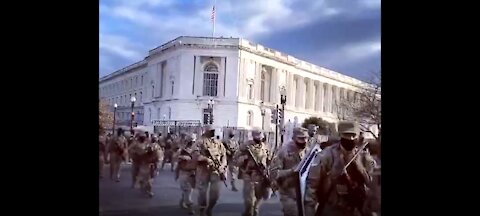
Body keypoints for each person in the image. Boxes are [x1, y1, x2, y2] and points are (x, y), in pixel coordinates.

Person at [304, 121, 376, 216]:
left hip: (357, 208)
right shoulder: (327, 156)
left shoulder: (364, 158)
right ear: (340, 135)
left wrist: (361, 169)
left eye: (353, 135)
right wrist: (309, 210)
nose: (350, 139)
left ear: (358, 136)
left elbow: (374, 186)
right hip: (332, 208)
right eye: (346, 135)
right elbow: (312, 185)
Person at [269, 127, 309, 216]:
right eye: (301, 138)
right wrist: (292, 171)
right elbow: (274, 173)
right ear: (294, 138)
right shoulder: (283, 152)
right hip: (288, 192)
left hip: (305, 191)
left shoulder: (307, 151)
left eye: (306, 138)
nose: (304, 141)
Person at [234, 128, 271, 216]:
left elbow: (270, 160)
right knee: (249, 199)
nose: (259, 139)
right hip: (249, 175)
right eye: (257, 137)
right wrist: (244, 158)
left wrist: (268, 171)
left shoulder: (265, 147)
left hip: (262, 175)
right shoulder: (245, 146)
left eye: (260, 137)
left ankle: (255, 209)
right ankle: (249, 211)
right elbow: (236, 159)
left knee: (261, 195)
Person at [192, 125, 227, 216]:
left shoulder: (218, 143)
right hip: (203, 170)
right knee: (202, 192)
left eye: (214, 130)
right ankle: (202, 210)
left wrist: (222, 166)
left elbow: (224, 156)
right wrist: (205, 159)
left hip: (216, 170)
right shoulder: (199, 142)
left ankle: (210, 208)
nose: (213, 132)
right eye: (211, 130)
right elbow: (195, 155)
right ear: (206, 131)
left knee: (215, 193)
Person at [174, 135, 196, 214]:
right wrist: (176, 174)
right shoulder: (182, 151)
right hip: (184, 173)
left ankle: (182, 202)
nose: (191, 143)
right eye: (190, 141)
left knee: (189, 190)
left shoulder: (195, 151)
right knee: (187, 190)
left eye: (193, 141)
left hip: (192, 173)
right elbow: (178, 163)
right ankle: (190, 208)